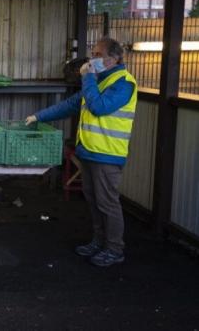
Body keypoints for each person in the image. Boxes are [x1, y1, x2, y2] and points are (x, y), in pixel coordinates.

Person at [26, 37, 137, 267]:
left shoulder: (123, 83)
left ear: (113, 58)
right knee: (94, 201)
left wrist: (88, 77)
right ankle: (99, 242)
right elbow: (71, 104)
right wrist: (38, 116)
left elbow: (98, 107)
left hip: (107, 154)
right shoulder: (98, 82)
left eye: (97, 54)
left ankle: (115, 249)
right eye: (92, 53)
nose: (92, 59)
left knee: (107, 203)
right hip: (88, 153)